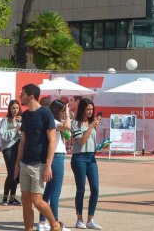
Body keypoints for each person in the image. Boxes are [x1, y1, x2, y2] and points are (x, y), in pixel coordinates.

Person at [14, 83, 65, 231]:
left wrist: (48, 165)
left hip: (39, 164)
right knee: (25, 201)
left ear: (31, 96)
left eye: (22, 94)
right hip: (25, 163)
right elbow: (22, 142)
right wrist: (17, 164)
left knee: (37, 200)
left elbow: (52, 140)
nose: (20, 97)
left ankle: (55, 225)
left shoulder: (45, 114)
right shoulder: (26, 115)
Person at [39, 100, 71, 231]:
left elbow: (67, 135)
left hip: (54, 156)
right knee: (55, 193)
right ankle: (55, 223)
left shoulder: (52, 121)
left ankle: (42, 222)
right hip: (57, 156)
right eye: (63, 111)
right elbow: (67, 127)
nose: (64, 114)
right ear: (57, 111)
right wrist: (68, 115)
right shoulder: (54, 121)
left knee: (48, 192)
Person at [71, 97, 102, 230]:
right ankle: (79, 219)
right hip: (79, 158)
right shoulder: (75, 123)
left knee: (95, 189)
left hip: (91, 157)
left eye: (92, 109)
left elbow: (90, 142)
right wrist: (91, 127)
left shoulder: (91, 123)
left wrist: (100, 146)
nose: (90, 112)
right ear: (82, 109)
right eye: (88, 109)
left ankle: (90, 219)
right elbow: (81, 141)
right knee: (81, 189)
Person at [0, 99, 22, 206]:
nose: (15, 110)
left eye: (17, 108)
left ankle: (12, 198)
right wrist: (15, 129)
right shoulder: (5, 120)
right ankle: (5, 197)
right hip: (8, 149)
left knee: (16, 173)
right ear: (9, 108)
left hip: (18, 148)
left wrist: (22, 124)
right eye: (13, 108)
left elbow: (24, 134)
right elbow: (3, 135)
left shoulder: (20, 120)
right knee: (11, 172)